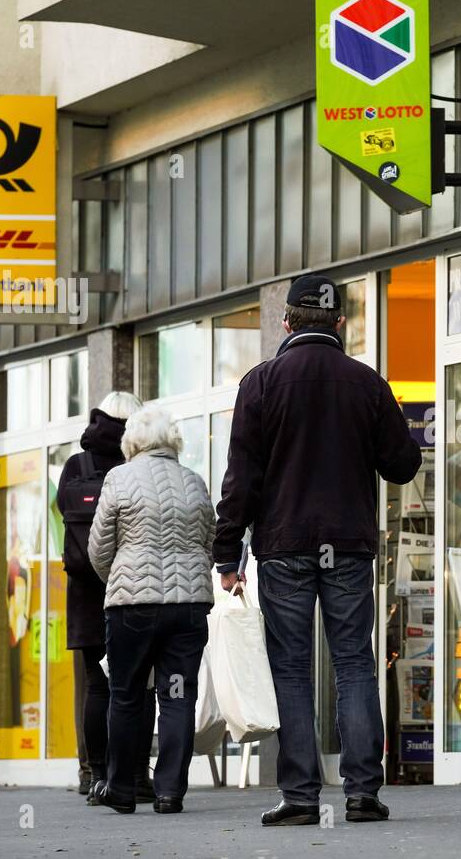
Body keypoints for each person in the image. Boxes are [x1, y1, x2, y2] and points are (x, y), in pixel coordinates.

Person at [214, 274, 421, 826]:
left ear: (285, 323)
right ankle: (362, 792)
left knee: (292, 669)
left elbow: (241, 482)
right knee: (354, 662)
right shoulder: (367, 383)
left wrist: (226, 554)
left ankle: (302, 795)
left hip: (283, 545)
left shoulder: (260, 385)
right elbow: (404, 464)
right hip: (349, 544)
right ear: (341, 324)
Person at [86, 405, 216, 814]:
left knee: (125, 695)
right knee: (177, 695)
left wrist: (123, 577)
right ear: (173, 440)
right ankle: (169, 792)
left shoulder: (119, 479)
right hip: (188, 608)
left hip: (133, 609)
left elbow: (98, 548)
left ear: (133, 441)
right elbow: (210, 544)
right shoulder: (194, 483)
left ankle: (121, 789)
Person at [57, 391, 158, 805]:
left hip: (85, 592)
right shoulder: (138, 463)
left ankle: (94, 774)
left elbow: (63, 517)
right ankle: (135, 773)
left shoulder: (75, 466)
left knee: (98, 687)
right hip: (132, 589)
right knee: (139, 686)